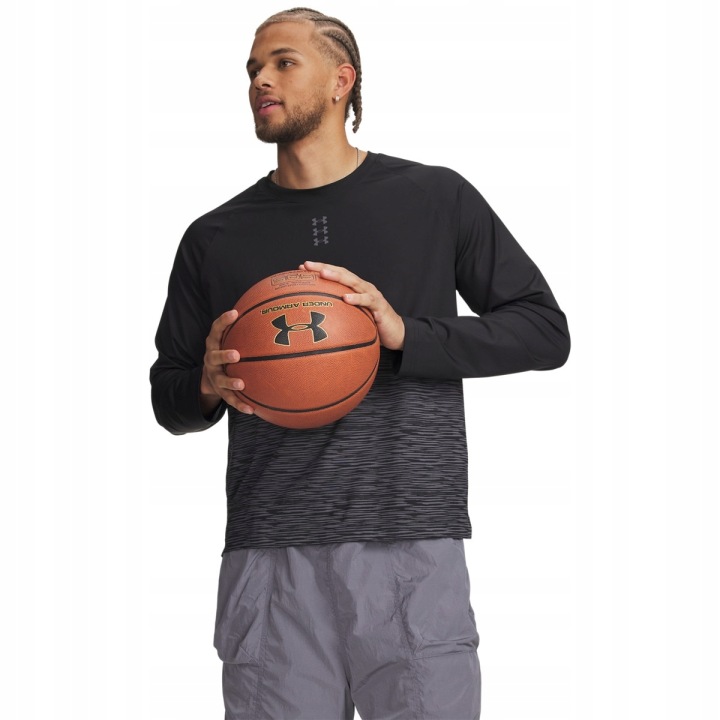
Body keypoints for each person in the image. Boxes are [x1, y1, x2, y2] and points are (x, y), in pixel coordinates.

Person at [150, 7, 570, 719]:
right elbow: (169, 397)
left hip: (409, 542)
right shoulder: (213, 235)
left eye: (283, 62)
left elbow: (543, 331)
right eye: (253, 69)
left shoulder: (434, 197)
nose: (260, 80)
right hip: (270, 553)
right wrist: (207, 385)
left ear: (341, 80)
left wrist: (406, 335)